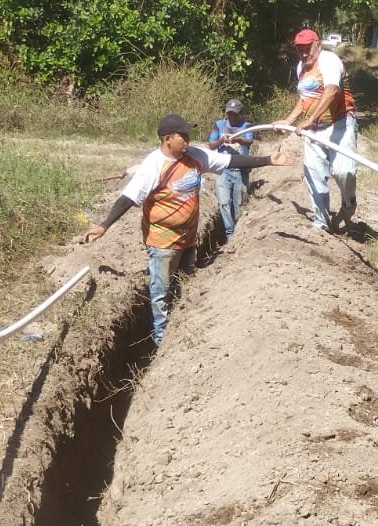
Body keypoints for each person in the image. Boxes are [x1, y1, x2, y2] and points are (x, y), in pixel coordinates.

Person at [82, 113, 294, 345]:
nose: (187, 140)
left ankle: (182, 326)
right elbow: (128, 198)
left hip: (189, 237)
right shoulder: (153, 166)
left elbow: (230, 162)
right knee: (160, 291)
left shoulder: (195, 156)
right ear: (167, 139)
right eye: (182, 136)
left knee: (184, 281)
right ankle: (161, 339)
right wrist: (104, 226)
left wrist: (268, 160)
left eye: (187, 135)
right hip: (162, 241)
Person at [274, 27, 358, 234]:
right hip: (314, 131)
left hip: (339, 124)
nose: (303, 53)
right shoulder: (301, 67)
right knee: (314, 174)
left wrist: (311, 119)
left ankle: (348, 205)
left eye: (307, 48)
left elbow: (331, 91)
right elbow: (305, 100)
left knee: (344, 171)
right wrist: (288, 120)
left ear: (317, 45)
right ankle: (322, 222)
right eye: (299, 49)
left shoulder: (328, 60)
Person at [208, 98, 254, 240]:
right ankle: (229, 233)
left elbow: (249, 141)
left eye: (235, 114)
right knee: (224, 202)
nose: (232, 117)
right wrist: (222, 140)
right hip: (224, 170)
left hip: (241, 171)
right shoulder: (219, 125)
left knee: (239, 203)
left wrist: (238, 139)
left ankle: (239, 234)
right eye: (229, 114)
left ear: (241, 114)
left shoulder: (247, 126)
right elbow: (211, 145)